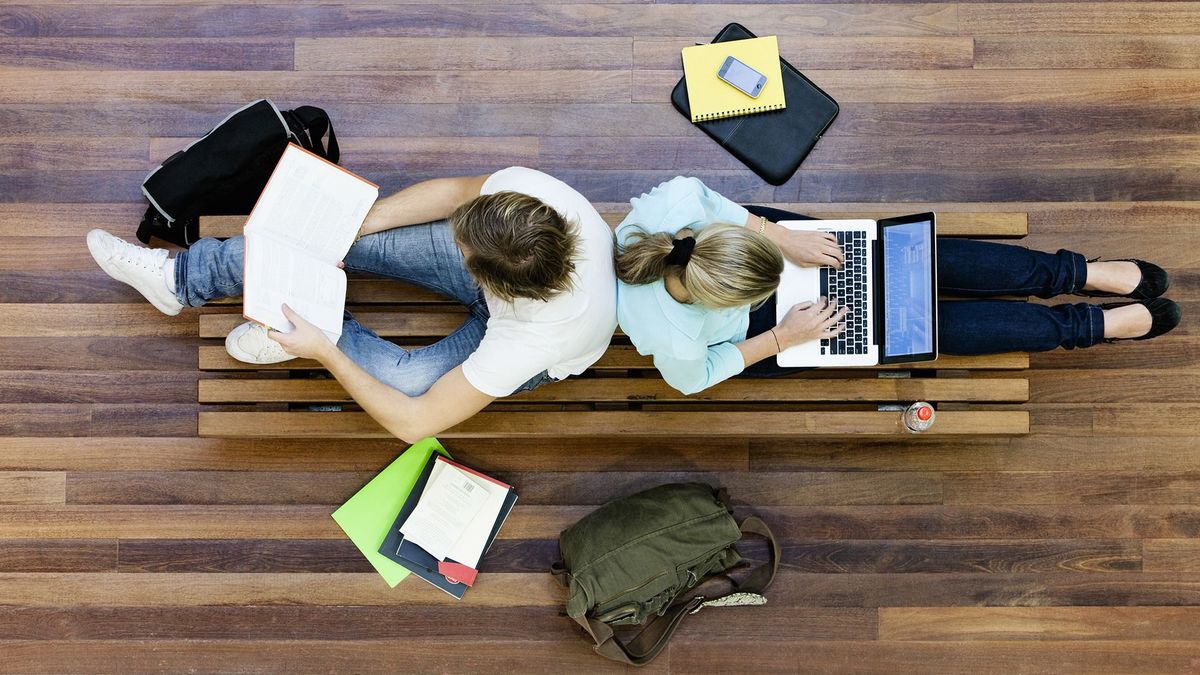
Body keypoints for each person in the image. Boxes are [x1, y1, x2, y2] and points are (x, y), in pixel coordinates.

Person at [87, 167, 617, 441]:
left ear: (486, 277)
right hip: (518, 282)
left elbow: (416, 422)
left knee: (408, 384)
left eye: (462, 247)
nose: (451, 240)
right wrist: (361, 225)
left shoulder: (534, 339)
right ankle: (178, 279)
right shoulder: (530, 199)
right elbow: (458, 189)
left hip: (535, 345)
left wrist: (326, 352)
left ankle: (311, 332)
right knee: (332, 235)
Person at [615, 176, 1182, 395]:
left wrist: (783, 240)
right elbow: (697, 378)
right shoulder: (673, 339)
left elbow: (714, 204)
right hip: (766, 331)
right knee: (909, 327)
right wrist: (783, 338)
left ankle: (1076, 272)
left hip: (767, 242)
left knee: (908, 263)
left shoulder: (673, 210)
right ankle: (1085, 326)